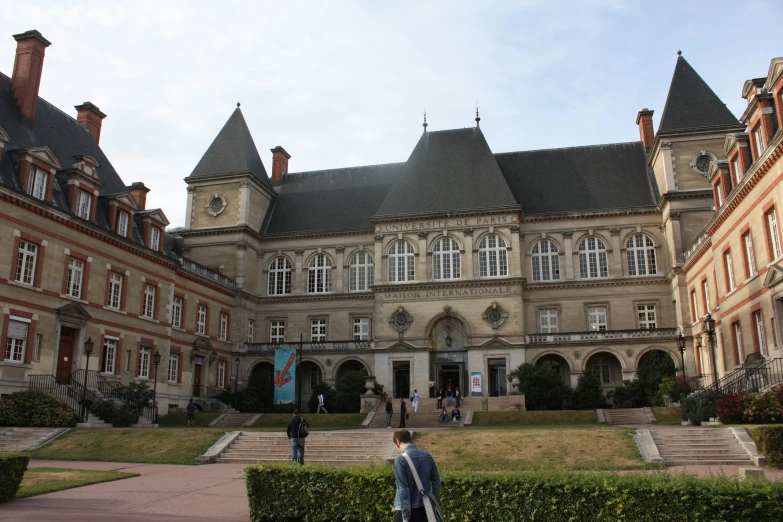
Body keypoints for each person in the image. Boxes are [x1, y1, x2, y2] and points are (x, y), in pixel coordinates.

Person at [392, 429, 441, 522]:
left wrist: (405, 517)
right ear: (410, 439)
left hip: (407, 510)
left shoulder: (400, 459)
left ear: (398, 441)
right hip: (425, 509)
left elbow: (403, 490)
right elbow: (436, 483)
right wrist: (433, 503)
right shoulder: (427, 455)